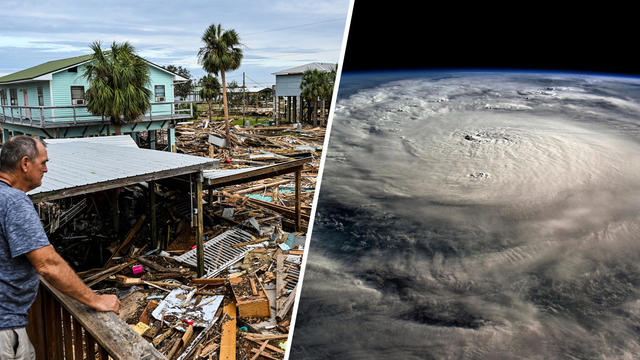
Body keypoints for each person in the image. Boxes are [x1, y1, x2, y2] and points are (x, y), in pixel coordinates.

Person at [0, 135, 120, 359]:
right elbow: (47, 264)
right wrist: (96, 300)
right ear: (25, 164)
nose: (46, 169)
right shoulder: (14, 202)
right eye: (43, 162)